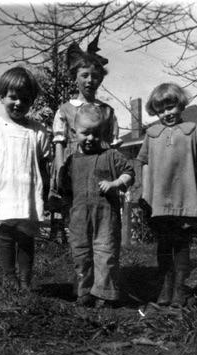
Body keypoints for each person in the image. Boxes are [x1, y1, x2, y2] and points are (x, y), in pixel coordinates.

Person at [0, 66, 51, 292]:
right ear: (1, 97)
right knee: (7, 235)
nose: (18, 103)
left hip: (27, 193)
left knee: (26, 237)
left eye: (25, 99)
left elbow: (43, 165)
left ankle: (26, 281)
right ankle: (9, 278)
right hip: (3, 191)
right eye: (13, 97)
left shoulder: (37, 130)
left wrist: (45, 196)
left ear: (32, 101)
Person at [137, 83, 197, 308]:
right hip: (159, 200)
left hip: (184, 198)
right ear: (155, 111)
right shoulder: (151, 133)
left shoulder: (191, 129)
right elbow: (145, 164)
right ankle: (165, 287)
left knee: (181, 244)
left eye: (171, 107)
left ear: (180, 105)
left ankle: (180, 288)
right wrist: (146, 193)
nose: (167, 113)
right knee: (163, 244)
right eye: (161, 110)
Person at [59, 104, 135, 308]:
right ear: (74, 132)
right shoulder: (71, 162)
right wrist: (66, 213)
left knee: (105, 253)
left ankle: (104, 294)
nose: (91, 138)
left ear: (103, 132)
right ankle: (84, 291)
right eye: (85, 133)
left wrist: (115, 184)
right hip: (79, 217)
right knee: (81, 254)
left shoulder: (110, 156)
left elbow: (129, 172)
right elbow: (65, 190)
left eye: (96, 133)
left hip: (105, 217)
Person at [50, 38, 123, 223]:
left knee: (100, 210)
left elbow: (113, 145)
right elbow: (59, 142)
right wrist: (60, 169)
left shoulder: (107, 111)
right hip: (73, 163)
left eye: (95, 76)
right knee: (75, 212)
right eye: (84, 75)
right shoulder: (65, 109)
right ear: (75, 77)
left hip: (100, 165)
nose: (90, 80)